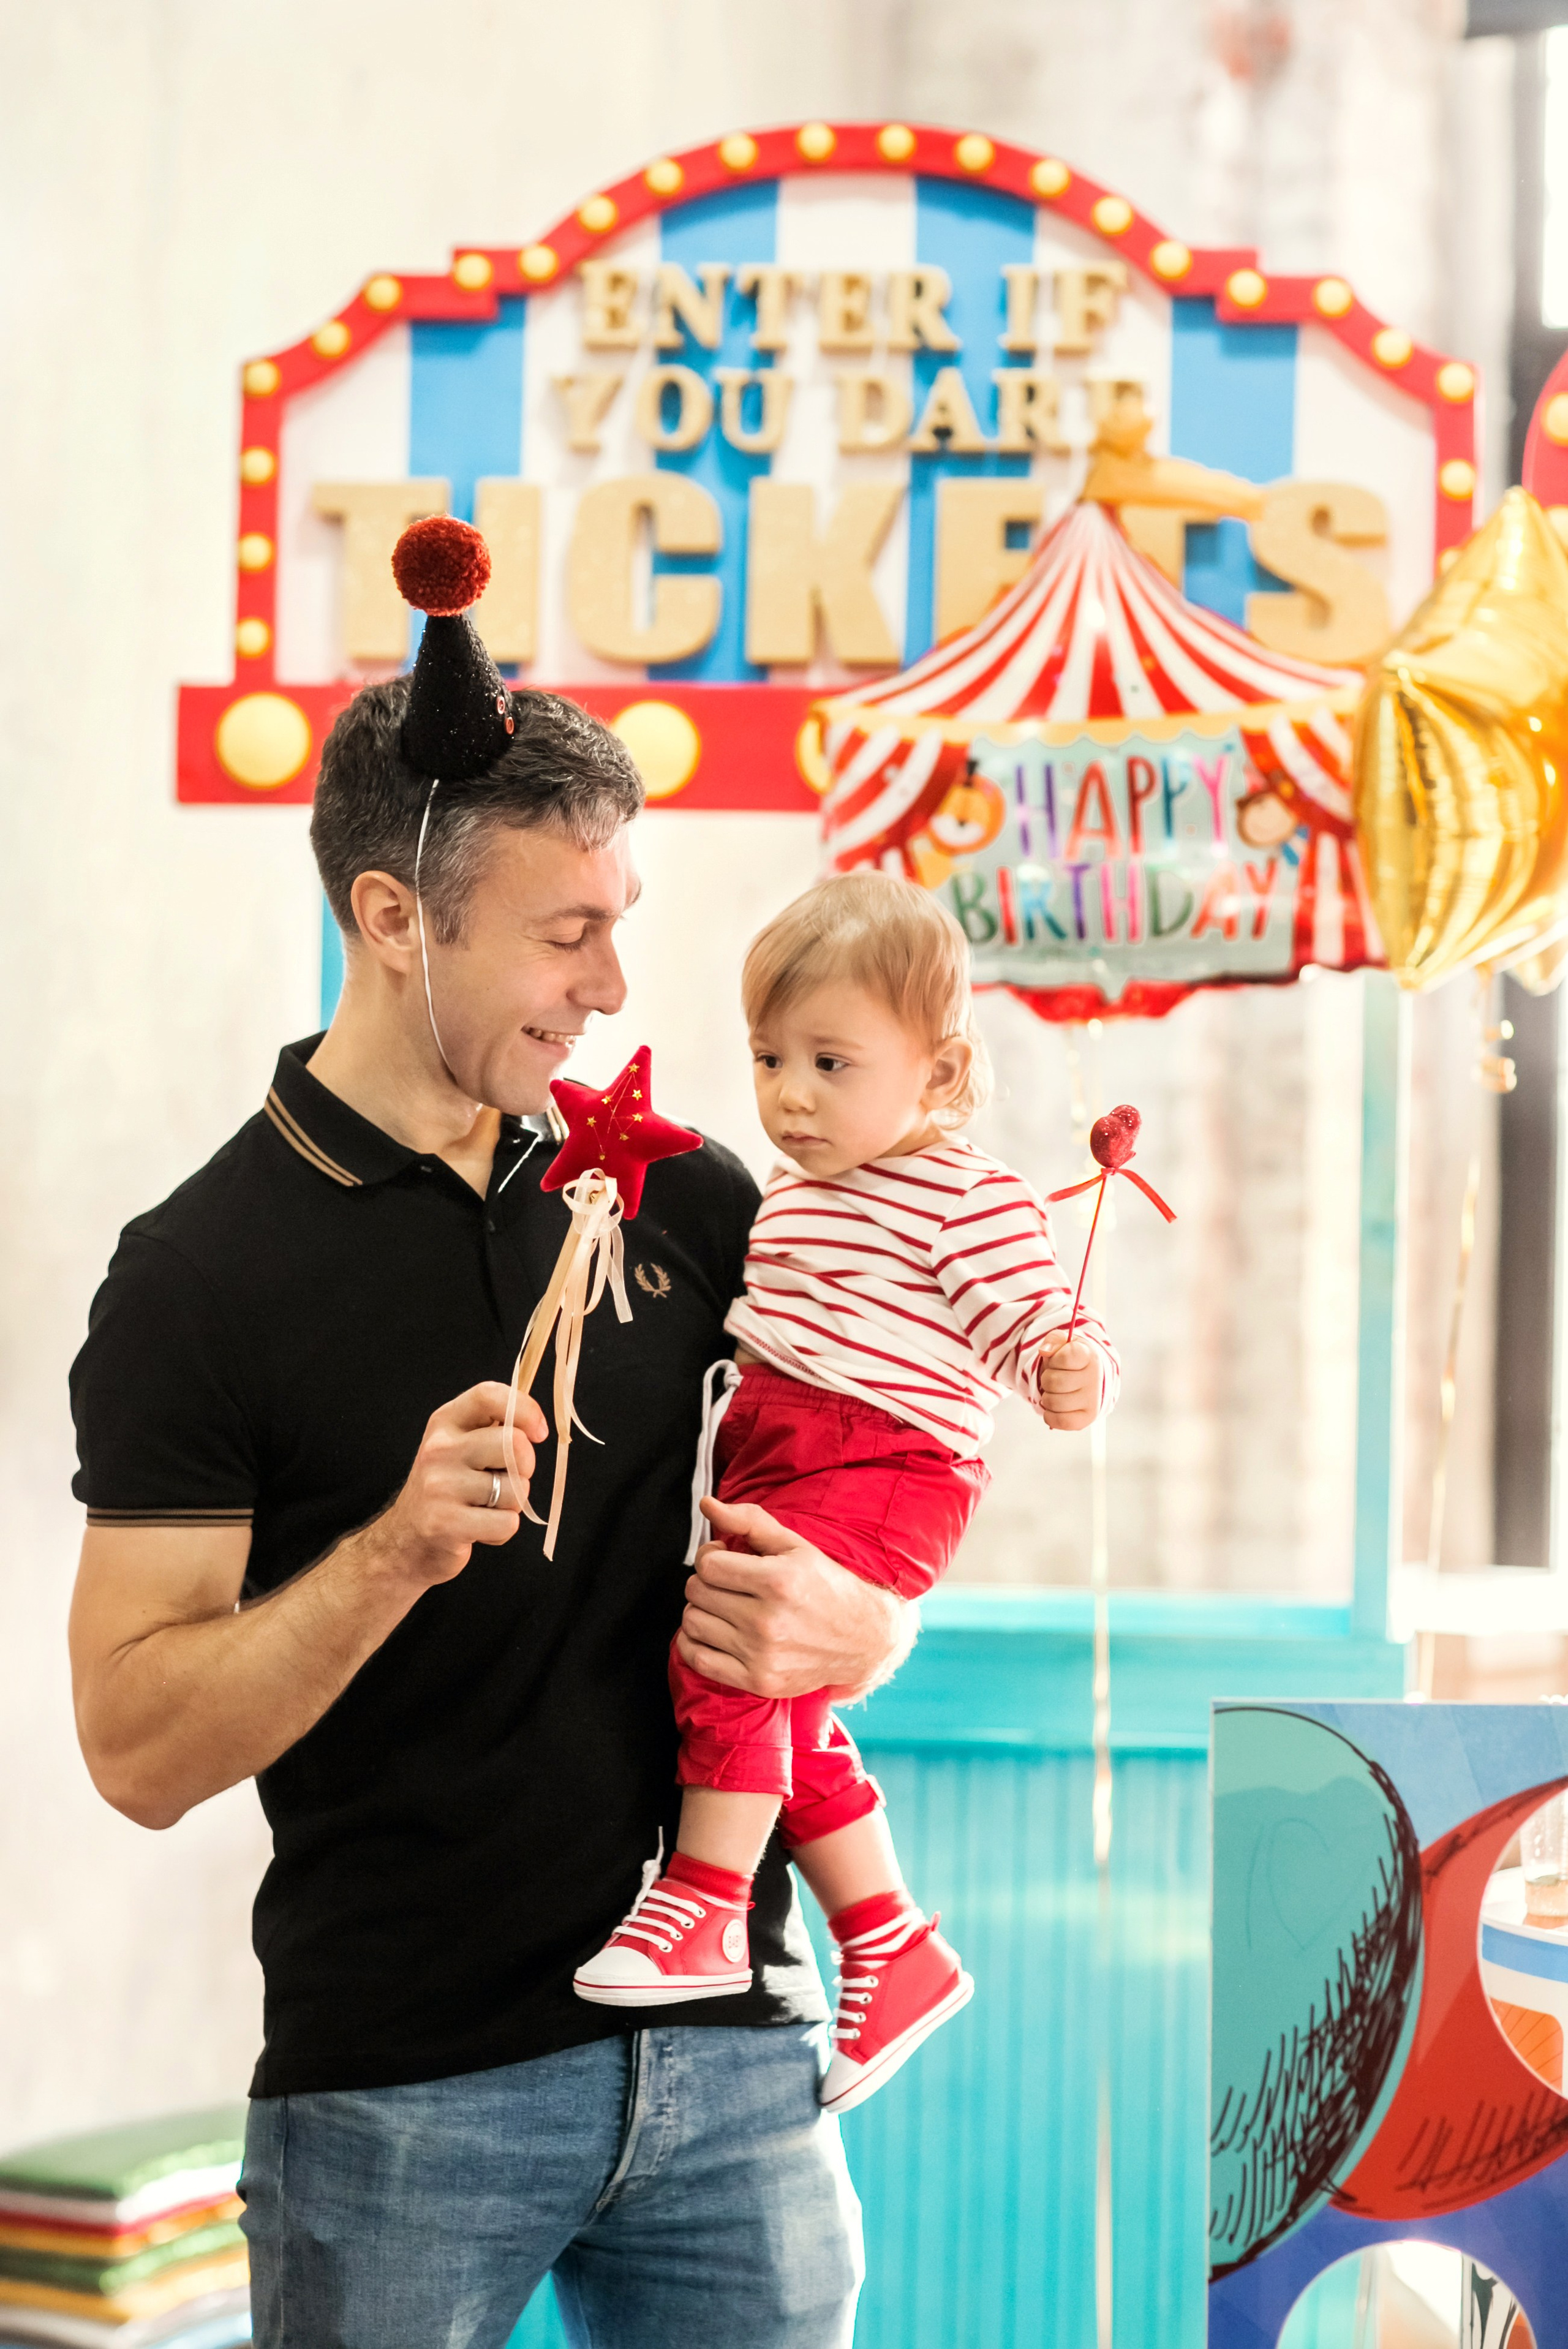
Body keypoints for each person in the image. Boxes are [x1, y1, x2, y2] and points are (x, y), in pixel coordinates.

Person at [66, 521, 900, 2349]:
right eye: (565, 933)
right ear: (392, 919)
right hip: (406, 2096)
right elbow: (132, 1744)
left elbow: (858, 1497)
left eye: (621, 926)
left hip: (738, 2062)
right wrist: (387, 1554)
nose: (610, 987)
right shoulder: (200, 1276)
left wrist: (871, 1624)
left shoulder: (693, 1198)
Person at [574, 873, 1118, 2114]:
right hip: (787, 1449)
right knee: (784, 1706)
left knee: (731, 1651)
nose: (791, 1095)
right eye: (770, 1058)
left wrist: (1070, 1367)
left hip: (884, 1458)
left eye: (830, 1063)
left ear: (938, 1072)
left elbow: (1043, 1321)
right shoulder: (802, 1186)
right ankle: (890, 1938)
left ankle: (707, 1903)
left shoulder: (966, 1195)